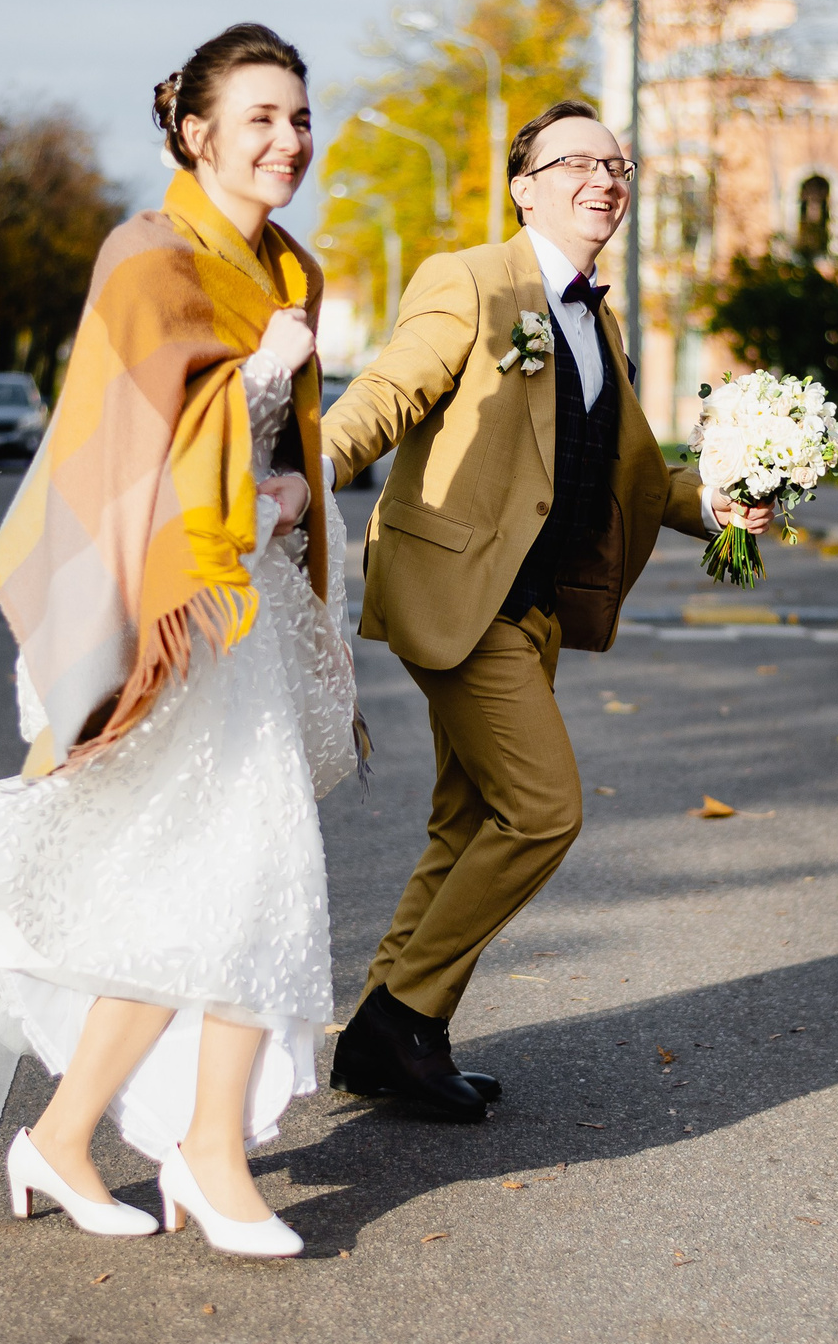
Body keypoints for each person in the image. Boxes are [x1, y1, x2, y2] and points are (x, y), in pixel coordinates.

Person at [0, 24, 356, 1257]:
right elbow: (114, 456)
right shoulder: (147, 257)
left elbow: (270, 459)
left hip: (252, 612)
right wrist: (260, 384)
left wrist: (283, 482)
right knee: (252, 871)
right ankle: (211, 1157)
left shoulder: (293, 269)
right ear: (196, 132)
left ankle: (62, 1139)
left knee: (205, 882)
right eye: (263, 118)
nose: (289, 140)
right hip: (171, 611)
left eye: (300, 116)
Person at [319, 100, 770, 1122]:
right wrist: (307, 469)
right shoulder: (473, 279)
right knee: (544, 809)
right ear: (523, 184)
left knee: (467, 818)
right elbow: (386, 390)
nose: (605, 178)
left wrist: (728, 503)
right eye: (578, 161)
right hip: (458, 596)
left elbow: (639, 477)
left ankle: (382, 1036)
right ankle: (402, 1016)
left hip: (531, 612)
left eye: (618, 164)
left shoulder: (597, 318)